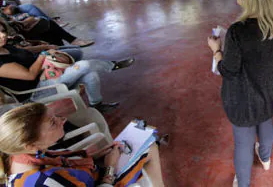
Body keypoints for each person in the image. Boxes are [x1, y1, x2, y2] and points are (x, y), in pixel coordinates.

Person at [207, 0, 273, 187]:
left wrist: (217, 51)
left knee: (243, 143)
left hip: (244, 100)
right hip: (271, 93)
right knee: (265, 120)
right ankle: (265, 158)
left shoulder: (238, 31)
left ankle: (243, 183)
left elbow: (229, 71)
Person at [0, 103, 165, 186]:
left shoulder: (21, 155)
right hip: (102, 181)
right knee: (149, 145)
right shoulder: (45, 181)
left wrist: (96, 155)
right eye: (52, 122)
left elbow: (61, 161)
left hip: (88, 172)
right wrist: (110, 168)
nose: (62, 120)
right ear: (31, 144)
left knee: (145, 135)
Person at [0, 21, 133, 112]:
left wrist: (46, 47)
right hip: (36, 91)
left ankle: (96, 105)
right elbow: (30, 75)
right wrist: (43, 55)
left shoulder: (5, 47)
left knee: (90, 74)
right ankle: (112, 66)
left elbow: (27, 51)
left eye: (2, 31)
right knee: (84, 65)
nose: (3, 35)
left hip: (46, 74)